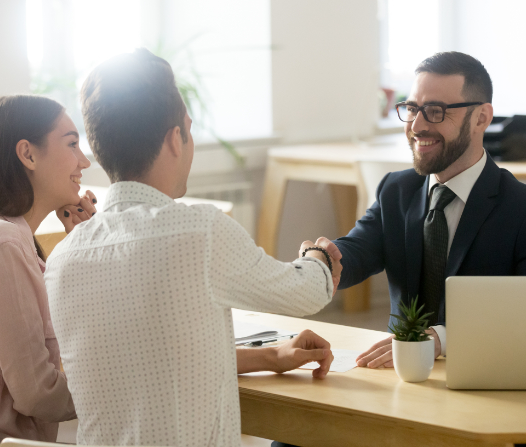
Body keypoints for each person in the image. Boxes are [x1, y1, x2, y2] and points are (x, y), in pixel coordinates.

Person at [44, 48, 342, 447]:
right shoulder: (199, 230)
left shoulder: (62, 260)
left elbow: (148, 362)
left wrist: (271, 355)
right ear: (174, 139)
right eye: (188, 128)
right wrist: (317, 256)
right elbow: (307, 292)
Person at [308, 51, 526, 369]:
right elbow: (356, 250)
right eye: (413, 108)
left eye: (435, 111)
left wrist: (441, 340)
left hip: (486, 374)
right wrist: (321, 260)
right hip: (398, 374)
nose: (416, 125)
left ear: (481, 118)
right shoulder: (397, 190)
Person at [0, 95, 97, 447]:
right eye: (72, 144)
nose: (84, 161)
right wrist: (118, 393)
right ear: (27, 154)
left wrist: (83, 248)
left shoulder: (11, 239)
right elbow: (36, 392)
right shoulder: (2, 243)